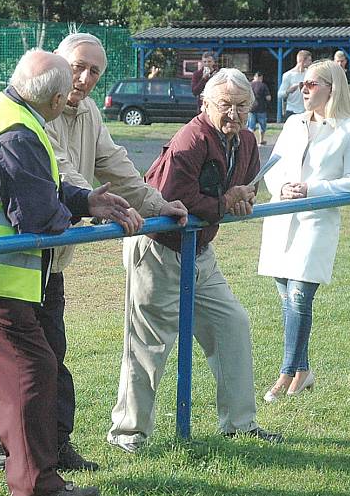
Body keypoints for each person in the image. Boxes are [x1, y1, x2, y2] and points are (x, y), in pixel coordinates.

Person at [0, 49, 144, 496]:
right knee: (31, 371)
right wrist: (73, 214)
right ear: (58, 99)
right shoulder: (19, 132)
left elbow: (31, 184)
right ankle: (37, 485)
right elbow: (38, 217)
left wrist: (85, 202)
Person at [0, 33, 188, 472]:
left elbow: (115, 165)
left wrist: (155, 203)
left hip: (49, 262)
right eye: (76, 68)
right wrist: (95, 203)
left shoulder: (87, 112)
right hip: (3, 260)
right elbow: (62, 173)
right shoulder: (28, 114)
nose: (83, 79)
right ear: (52, 66)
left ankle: (54, 443)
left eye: (94, 72)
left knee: (52, 353)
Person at [107, 68, 284, 452]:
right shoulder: (190, 138)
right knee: (149, 343)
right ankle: (128, 433)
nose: (233, 114)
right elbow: (170, 200)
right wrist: (226, 202)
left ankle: (239, 424)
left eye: (241, 106)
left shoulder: (248, 141)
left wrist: (242, 200)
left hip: (200, 253)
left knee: (232, 324)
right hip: (158, 248)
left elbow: (242, 188)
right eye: (224, 105)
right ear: (205, 104)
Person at [258, 60, 350, 401]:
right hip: (281, 218)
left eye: (310, 84)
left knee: (299, 297)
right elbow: (272, 168)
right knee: (286, 297)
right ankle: (303, 371)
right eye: (302, 85)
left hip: (316, 223)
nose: (302, 89)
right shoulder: (292, 123)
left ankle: (286, 373)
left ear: (330, 89)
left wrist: (311, 189)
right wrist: (282, 188)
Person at [278, 50, 312, 120]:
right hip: (291, 111)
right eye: (309, 60)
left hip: (305, 111)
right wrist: (288, 91)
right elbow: (280, 94)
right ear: (302, 60)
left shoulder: (309, 74)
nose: (311, 63)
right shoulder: (288, 75)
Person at [247, 71, 271, 146]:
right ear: (261, 77)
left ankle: (250, 141)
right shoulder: (263, 86)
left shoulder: (249, 85)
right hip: (261, 108)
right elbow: (268, 98)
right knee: (262, 125)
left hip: (251, 109)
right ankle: (261, 140)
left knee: (251, 126)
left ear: (254, 77)